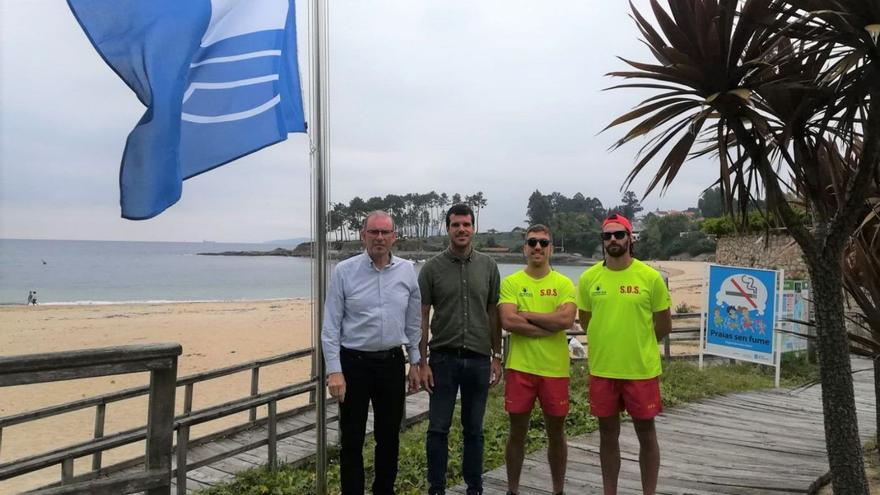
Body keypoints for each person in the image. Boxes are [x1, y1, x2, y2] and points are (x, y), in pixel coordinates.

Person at [321, 210, 423, 495]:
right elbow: (330, 325)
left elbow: (412, 320)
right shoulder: (344, 271)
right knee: (351, 440)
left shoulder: (406, 270)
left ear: (394, 237)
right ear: (362, 235)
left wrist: (414, 360)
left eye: (385, 232)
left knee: (388, 437)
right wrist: (334, 370)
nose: (379, 238)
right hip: (353, 364)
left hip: (391, 363)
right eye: (374, 232)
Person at [576, 213, 672, 495]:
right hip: (603, 369)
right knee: (607, 435)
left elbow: (664, 324)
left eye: (619, 234)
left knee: (646, 434)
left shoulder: (650, 278)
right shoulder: (588, 278)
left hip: (640, 370)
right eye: (608, 236)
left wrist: (638, 342)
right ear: (603, 241)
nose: (613, 240)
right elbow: (586, 320)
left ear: (630, 238)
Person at [418, 203, 503, 495]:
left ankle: (474, 487)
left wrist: (497, 355)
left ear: (473, 227)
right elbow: (422, 316)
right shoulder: (431, 269)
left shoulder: (489, 267)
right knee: (438, 429)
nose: (461, 230)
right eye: (456, 225)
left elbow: (494, 313)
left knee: (474, 431)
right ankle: (437, 488)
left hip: (479, 360)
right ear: (448, 228)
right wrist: (421, 361)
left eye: (466, 224)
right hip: (442, 359)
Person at [498, 224, 576, 495]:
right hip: (520, 367)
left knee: (557, 433)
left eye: (543, 243)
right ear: (525, 248)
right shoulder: (511, 282)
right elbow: (508, 320)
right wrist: (549, 326)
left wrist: (527, 314)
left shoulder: (564, 284)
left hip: (555, 370)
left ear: (551, 248)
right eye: (532, 243)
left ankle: (558, 490)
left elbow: (566, 320)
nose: (538, 248)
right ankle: (512, 489)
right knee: (517, 432)